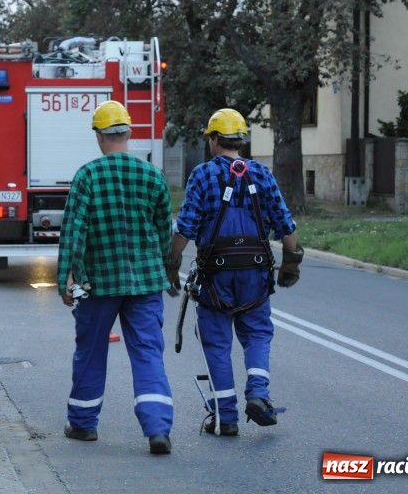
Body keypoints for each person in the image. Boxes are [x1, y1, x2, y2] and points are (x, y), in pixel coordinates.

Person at [169, 108, 303, 437]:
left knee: (216, 343)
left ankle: (225, 417)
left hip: (215, 275)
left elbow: (185, 229)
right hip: (256, 273)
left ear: (214, 140)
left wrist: (171, 266)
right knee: (257, 334)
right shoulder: (262, 174)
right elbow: (286, 224)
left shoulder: (201, 175)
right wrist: (290, 262)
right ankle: (258, 393)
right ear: (241, 140)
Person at [57, 100, 175, 456]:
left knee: (91, 351)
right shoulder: (152, 176)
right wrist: (166, 270)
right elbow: (164, 233)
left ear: (99, 135)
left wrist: (65, 276)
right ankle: (157, 429)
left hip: (99, 284)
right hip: (145, 283)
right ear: (128, 132)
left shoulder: (87, 176)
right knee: (148, 353)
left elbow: (73, 232)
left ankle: (83, 424)